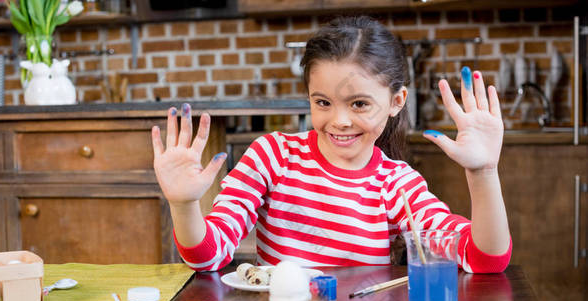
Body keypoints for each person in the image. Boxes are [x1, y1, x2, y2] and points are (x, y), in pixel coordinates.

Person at [151, 15, 511, 273]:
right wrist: (184, 204)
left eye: (359, 104)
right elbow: (207, 257)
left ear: (397, 101)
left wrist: (483, 172)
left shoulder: (397, 183)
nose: (339, 120)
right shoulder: (270, 156)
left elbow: (484, 259)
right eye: (323, 102)